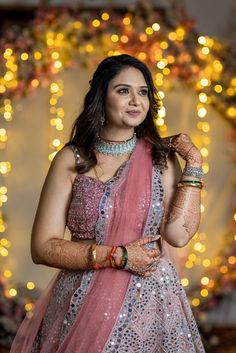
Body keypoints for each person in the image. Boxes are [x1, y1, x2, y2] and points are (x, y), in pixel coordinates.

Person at [10, 54, 206, 353]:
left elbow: (179, 235)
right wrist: (119, 256)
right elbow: (42, 247)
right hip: (80, 304)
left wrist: (193, 163)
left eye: (143, 92)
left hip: (148, 308)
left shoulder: (160, 159)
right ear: (102, 96)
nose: (135, 101)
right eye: (123, 90)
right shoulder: (72, 160)